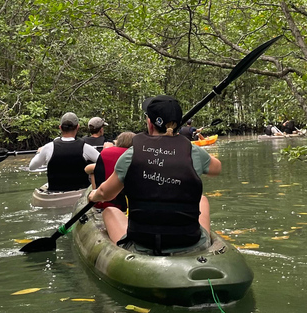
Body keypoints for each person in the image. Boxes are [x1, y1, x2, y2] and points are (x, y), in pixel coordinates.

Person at [88, 95, 221, 254]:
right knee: (202, 199)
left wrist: (93, 195)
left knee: (110, 210)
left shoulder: (131, 154)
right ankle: (202, 249)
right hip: (189, 241)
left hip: (141, 243)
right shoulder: (194, 152)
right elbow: (216, 168)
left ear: (150, 124)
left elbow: (105, 194)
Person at [29, 112, 99, 191]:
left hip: (55, 193)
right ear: (77, 127)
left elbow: (32, 167)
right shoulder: (85, 148)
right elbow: (104, 162)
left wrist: (39, 152)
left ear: (60, 128)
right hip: (79, 193)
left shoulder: (48, 147)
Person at [84, 131, 135, 211]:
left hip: (100, 202)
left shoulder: (105, 153)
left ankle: (94, 191)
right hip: (123, 205)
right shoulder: (133, 156)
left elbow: (89, 169)